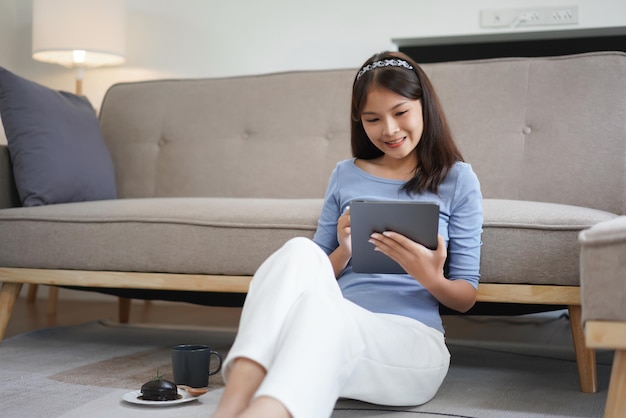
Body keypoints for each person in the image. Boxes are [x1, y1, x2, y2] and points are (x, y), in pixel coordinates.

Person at [211, 51, 483, 418]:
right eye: (373, 119)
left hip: (409, 342)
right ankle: (233, 405)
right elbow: (310, 272)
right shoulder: (345, 174)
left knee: (324, 319)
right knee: (298, 252)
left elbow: (465, 296)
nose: (389, 129)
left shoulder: (457, 179)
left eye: (400, 113)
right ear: (359, 121)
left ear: (424, 106)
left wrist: (429, 277)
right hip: (331, 317)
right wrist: (344, 250)